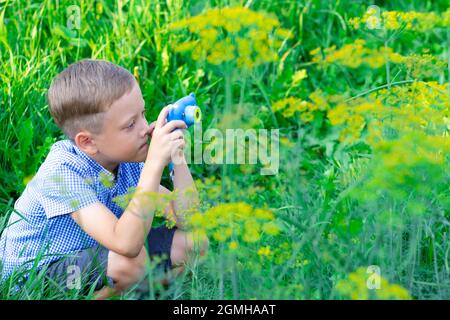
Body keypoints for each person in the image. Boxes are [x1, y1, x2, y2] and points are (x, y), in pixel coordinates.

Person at [0, 59, 208, 299]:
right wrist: (153, 165)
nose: (143, 128)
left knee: (194, 244)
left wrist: (176, 158)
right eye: (130, 124)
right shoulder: (63, 172)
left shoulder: (127, 161)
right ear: (88, 142)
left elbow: (190, 220)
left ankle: (138, 289)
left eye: (142, 114)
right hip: (38, 275)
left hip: (101, 255)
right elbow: (126, 244)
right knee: (132, 262)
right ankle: (140, 286)